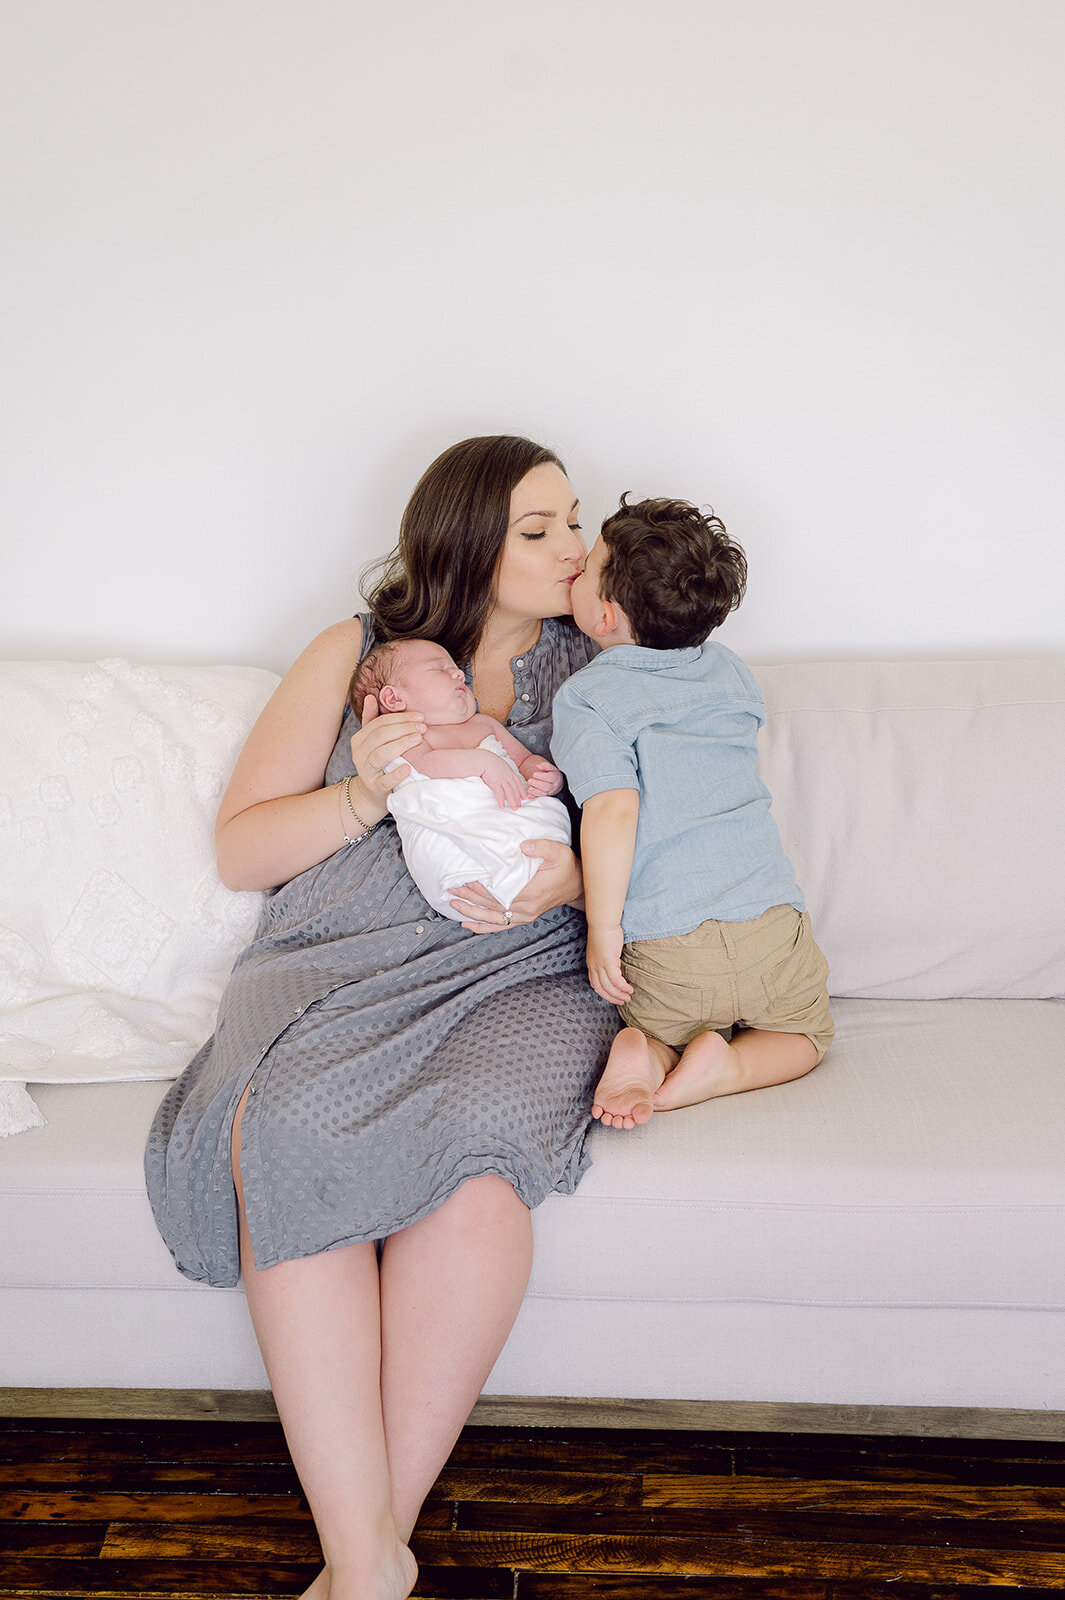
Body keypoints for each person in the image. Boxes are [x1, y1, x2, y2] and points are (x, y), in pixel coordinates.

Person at [143, 436, 617, 1600]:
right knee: (288, 1121)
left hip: (518, 973)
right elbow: (243, 845)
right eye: (540, 529)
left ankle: (365, 1555)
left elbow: (676, 827)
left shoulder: (607, 668)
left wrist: (582, 883)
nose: (574, 548)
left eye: (575, 520)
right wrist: (361, 791)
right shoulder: (358, 655)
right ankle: (370, 1559)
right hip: (339, 960)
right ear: (464, 543)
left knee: (478, 1164)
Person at [550, 493, 834, 1131]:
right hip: (772, 927)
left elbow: (614, 810)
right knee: (806, 1037)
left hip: (669, 948)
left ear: (603, 613)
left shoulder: (587, 698)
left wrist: (604, 929)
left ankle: (647, 1053)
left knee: (659, 1026)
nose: (573, 563)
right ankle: (727, 1070)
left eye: (587, 561)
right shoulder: (732, 674)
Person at [347, 638, 571, 919]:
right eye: (440, 669)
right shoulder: (409, 735)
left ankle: (521, 872)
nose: (458, 674)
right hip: (457, 849)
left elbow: (524, 761)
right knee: (446, 851)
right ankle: (494, 880)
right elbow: (429, 766)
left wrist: (544, 776)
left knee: (542, 812)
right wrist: (484, 763)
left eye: (455, 668)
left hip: (521, 830)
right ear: (394, 699)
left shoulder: (484, 724)